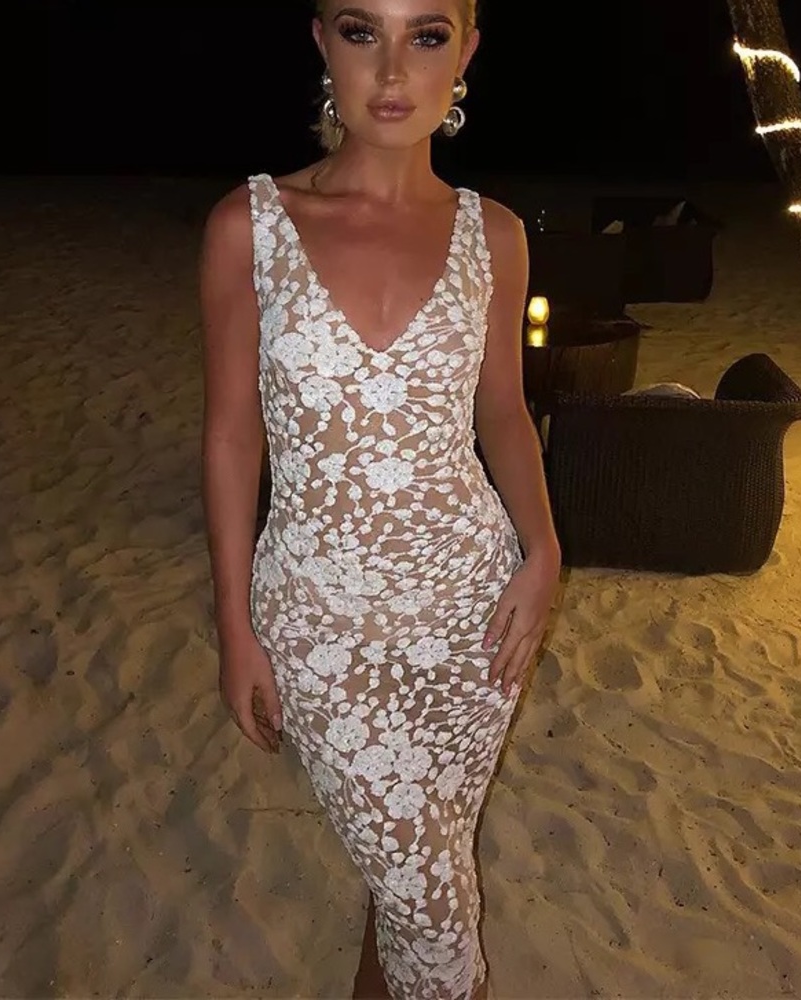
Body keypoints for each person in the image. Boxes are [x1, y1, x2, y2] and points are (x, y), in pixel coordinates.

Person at [199, 1, 561, 996]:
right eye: (363, 32)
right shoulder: (248, 227)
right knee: (433, 912)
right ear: (323, 41)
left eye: (426, 35)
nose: (394, 70)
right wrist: (233, 623)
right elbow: (231, 436)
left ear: (466, 51)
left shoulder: (494, 234)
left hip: (470, 614)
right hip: (319, 622)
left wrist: (542, 552)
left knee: (405, 878)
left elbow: (503, 414)